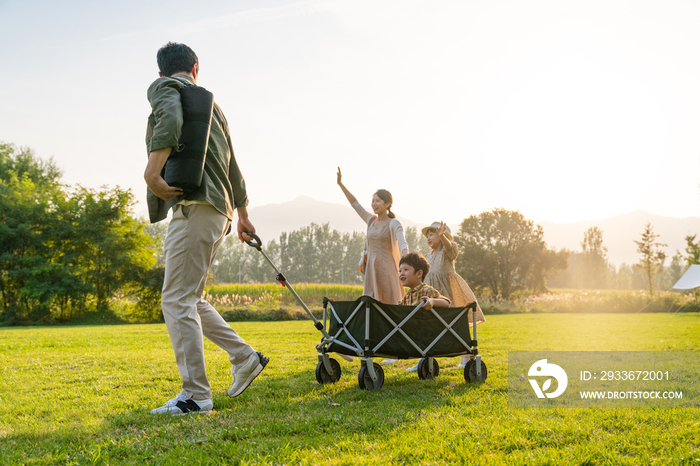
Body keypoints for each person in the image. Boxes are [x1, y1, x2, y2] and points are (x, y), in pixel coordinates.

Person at [144, 42, 268, 415]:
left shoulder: (166, 88)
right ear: (196, 67)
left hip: (195, 204)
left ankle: (196, 396)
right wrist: (243, 213)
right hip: (221, 211)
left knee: (176, 299)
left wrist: (152, 170)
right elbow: (233, 162)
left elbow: (168, 120)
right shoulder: (215, 108)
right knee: (191, 298)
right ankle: (244, 357)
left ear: (163, 72)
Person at [337, 168, 408, 364]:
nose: (374, 204)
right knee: (366, 307)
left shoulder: (393, 223)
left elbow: (402, 241)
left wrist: (405, 256)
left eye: (377, 200)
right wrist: (341, 185)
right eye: (373, 200)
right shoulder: (371, 221)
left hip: (388, 272)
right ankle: (350, 348)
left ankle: (395, 351)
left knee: (390, 308)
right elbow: (355, 204)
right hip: (372, 272)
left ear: (387, 204)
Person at [422, 221, 485, 369]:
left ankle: (465, 357)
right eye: (427, 235)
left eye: (432, 234)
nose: (429, 238)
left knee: (457, 324)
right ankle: (424, 359)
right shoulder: (427, 257)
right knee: (429, 327)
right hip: (432, 295)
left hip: (448, 294)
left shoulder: (447, 252)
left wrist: (442, 235)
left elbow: (450, 249)